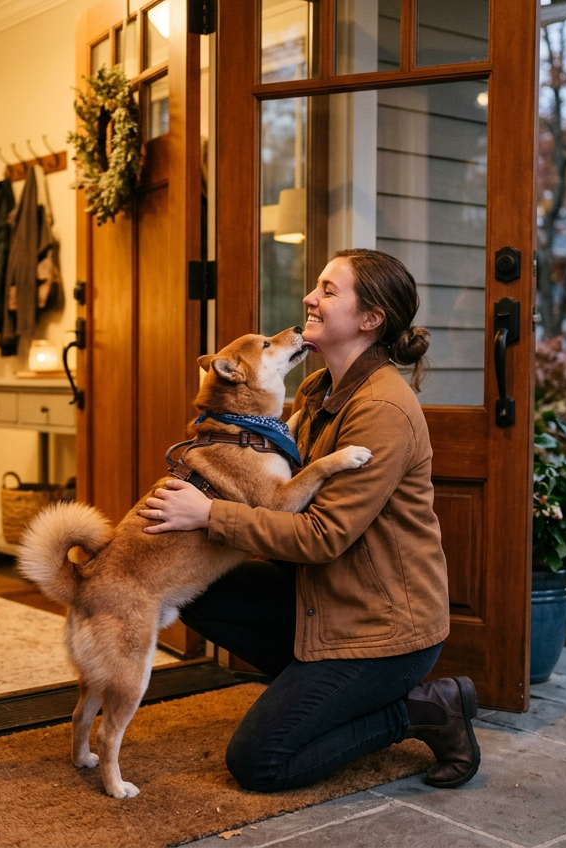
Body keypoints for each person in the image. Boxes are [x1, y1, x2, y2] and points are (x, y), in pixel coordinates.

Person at [139, 248, 480, 791]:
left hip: (380, 627)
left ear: (370, 320)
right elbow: (273, 489)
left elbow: (322, 537)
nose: (308, 298)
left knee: (260, 762)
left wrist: (208, 513)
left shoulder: (382, 410)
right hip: (321, 599)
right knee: (192, 589)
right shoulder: (316, 389)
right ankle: (317, 693)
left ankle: (423, 709)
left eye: (328, 290)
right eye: (315, 287)